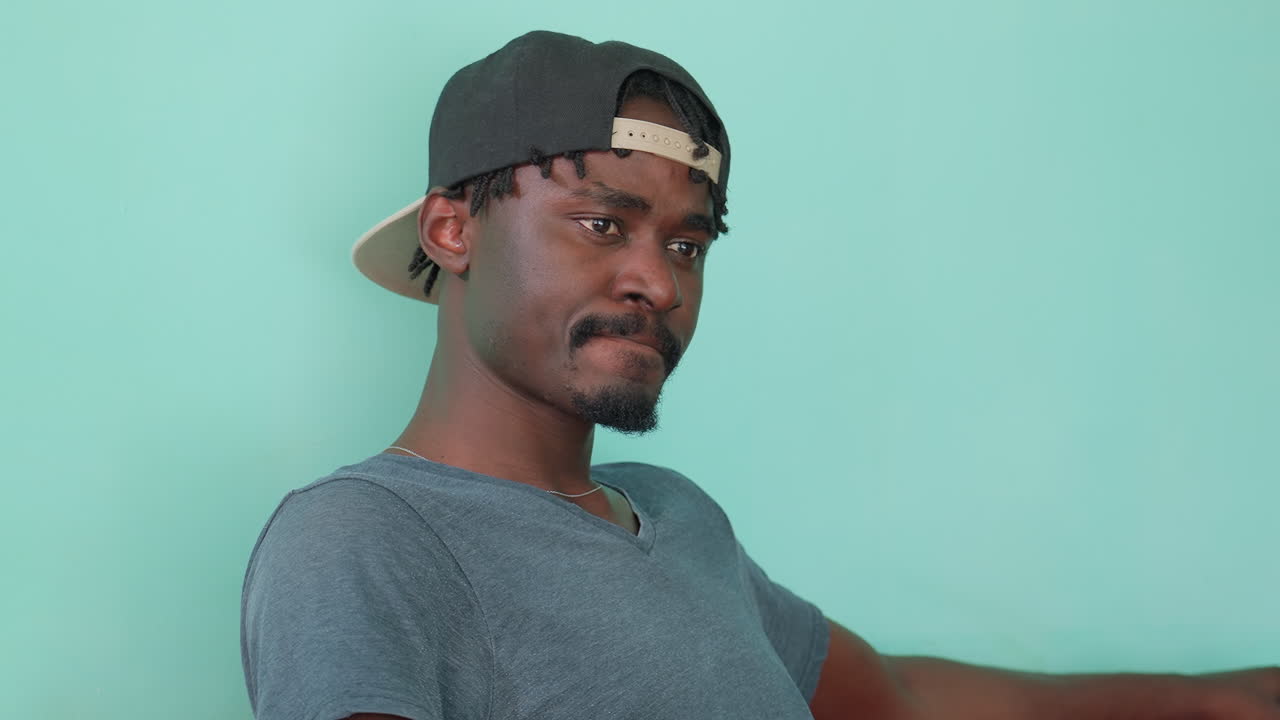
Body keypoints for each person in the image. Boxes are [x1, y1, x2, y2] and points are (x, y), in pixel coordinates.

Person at [239, 30, 1279, 720]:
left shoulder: (673, 519)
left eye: (688, 245)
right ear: (452, 228)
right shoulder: (364, 538)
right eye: (602, 223)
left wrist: (1219, 699)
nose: (654, 277)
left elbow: (897, 700)